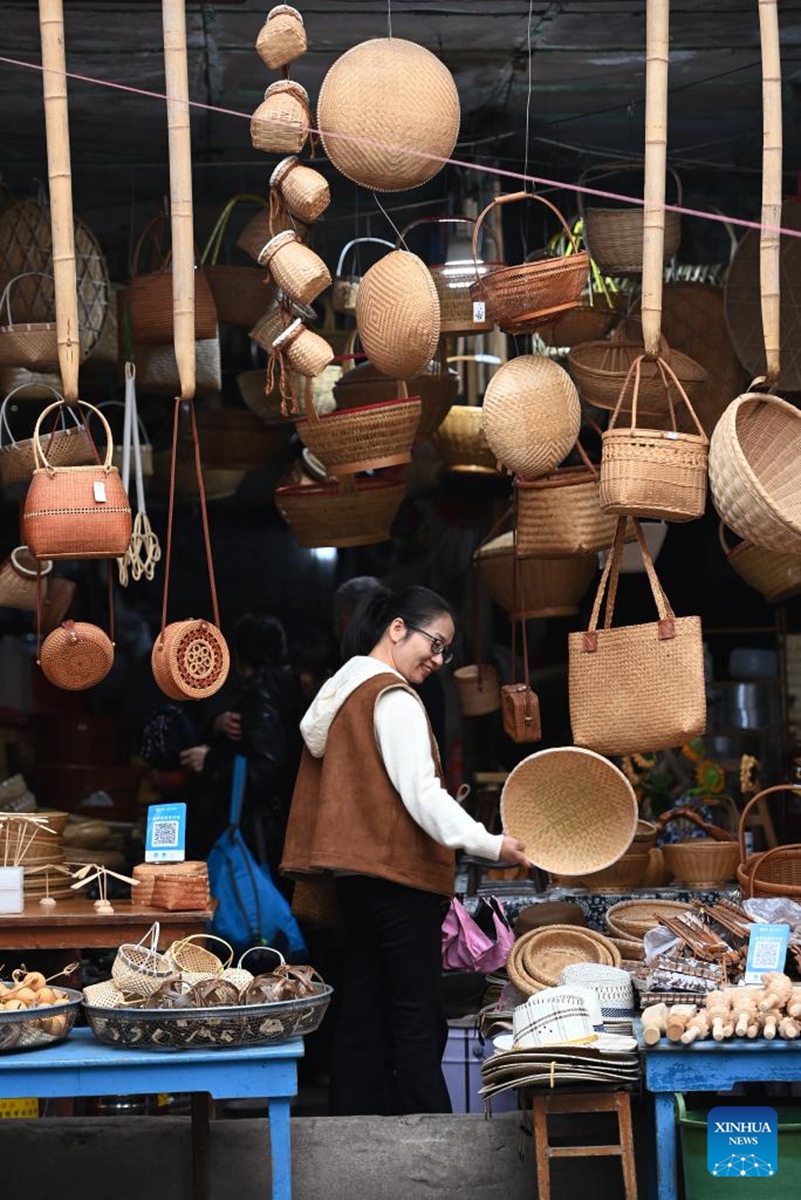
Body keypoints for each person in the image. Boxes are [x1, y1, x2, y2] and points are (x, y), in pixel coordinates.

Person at [281, 585, 530, 1117]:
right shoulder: (391, 697)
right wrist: (492, 843)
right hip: (401, 879)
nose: (438, 660)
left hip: (357, 877)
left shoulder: (344, 692)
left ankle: (353, 1129)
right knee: (418, 1012)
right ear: (397, 629)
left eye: (445, 651)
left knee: (365, 1005)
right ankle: (433, 1134)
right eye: (434, 644)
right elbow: (422, 795)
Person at [180, 614, 304, 877]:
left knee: (250, 905)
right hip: (279, 825)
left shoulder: (261, 694)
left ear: (238, 657)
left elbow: (266, 769)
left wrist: (211, 761)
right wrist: (216, 726)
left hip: (259, 830)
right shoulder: (287, 686)